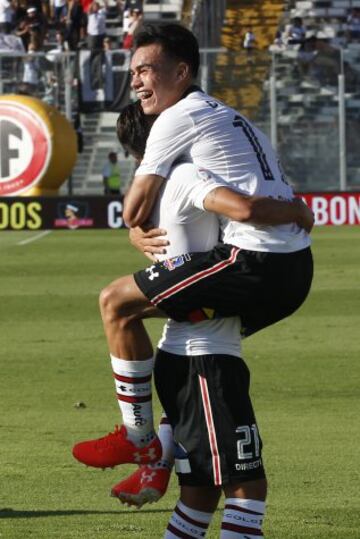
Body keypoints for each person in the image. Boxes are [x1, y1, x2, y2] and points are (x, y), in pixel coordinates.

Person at [72, 23, 313, 477]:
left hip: (257, 263)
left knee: (117, 303)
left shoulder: (176, 119)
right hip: (289, 267)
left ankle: (138, 439)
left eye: (147, 70)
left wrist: (295, 212)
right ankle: (164, 457)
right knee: (185, 342)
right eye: (133, 71)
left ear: (181, 71)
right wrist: (295, 210)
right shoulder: (223, 116)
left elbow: (137, 209)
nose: (137, 80)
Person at [109, 102, 267, 537]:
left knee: (200, 495)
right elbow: (243, 209)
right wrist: (292, 212)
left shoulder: (157, 189)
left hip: (192, 353)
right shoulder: (186, 176)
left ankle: (158, 451)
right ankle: (152, 449)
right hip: (204, 360)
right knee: (246, 486)